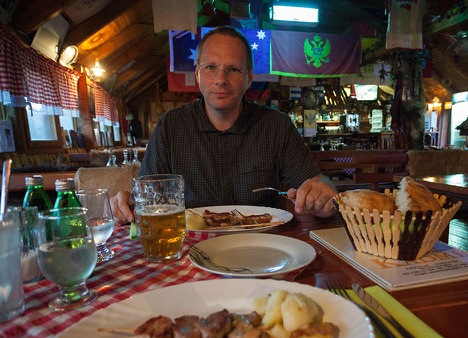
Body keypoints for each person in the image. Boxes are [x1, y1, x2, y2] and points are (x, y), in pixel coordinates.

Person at [111, 26, 336, 225]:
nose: (221, 79)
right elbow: (144, 197)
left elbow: (317, 188)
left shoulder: (276, 126)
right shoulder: (171, 125)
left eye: (234, 70)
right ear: (198, 74)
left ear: (248, 78)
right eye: (210, 67)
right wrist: (125, 204)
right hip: (189, 247)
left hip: (259, 246)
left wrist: (323, 199)